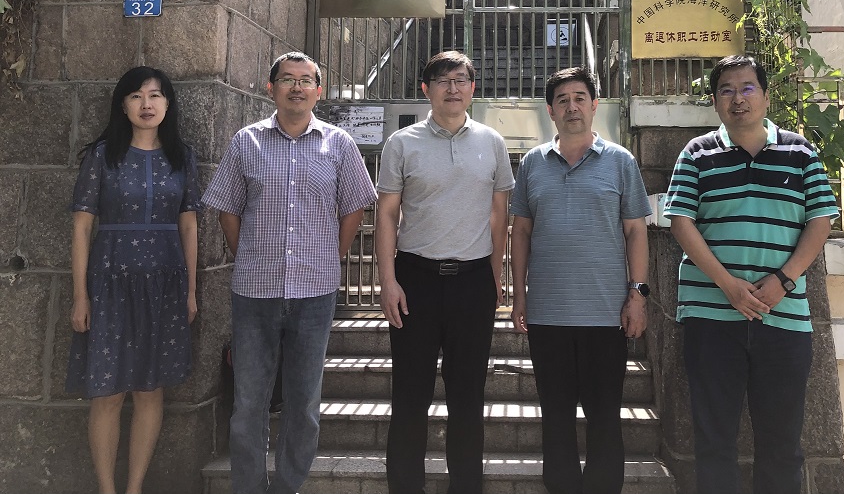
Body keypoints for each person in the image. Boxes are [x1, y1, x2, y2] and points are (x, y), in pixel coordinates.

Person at [202, 52, 377, 494]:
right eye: (287, 79)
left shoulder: (339, 144)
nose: (296, 87)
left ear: (319, 91)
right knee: (249, 403)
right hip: (254, 293)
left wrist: (331, 256)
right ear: (271, 88)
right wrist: (249, 256)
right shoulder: (247, 142)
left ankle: (287, 486)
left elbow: (354, 207)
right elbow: (227, 209)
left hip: (314, 293)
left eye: (305, 80)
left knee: (304, 404)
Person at [663, 55, 838, 494]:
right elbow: (681, 222)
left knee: (782, 446)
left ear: (765, 95)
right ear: (715, 101)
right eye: (726, 90)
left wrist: (783, 280)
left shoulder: (800, 152)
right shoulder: (696, 154)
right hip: (711, 318)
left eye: (747, 88)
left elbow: (820, 221)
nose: (737, 98)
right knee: (713, 443)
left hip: (783, 319)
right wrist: (729, 287)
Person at [376, 50, 515, 494]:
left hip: (472, 281)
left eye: (460, 80)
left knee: (468, 396)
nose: (452, 89)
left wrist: (495, 275)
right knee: (410, 395)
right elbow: (386, 214)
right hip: (414, 279)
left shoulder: (492, 142)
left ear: (473, 88)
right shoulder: (402, 143)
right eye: (442, 81)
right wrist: (388, 280)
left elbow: (500, 214)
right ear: (426, 89)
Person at [509, 66, 652, 494]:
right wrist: (520, 296)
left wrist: (638, 295)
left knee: (604, 416)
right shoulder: (532, 163)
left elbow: (636, 232)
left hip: (606, 315)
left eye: (579, 98)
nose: (571, 107)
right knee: (555, 416)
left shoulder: (620, 161)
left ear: (594, 106)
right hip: (548, 314)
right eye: (562, 100)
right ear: (550, 111)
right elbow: (521, 232)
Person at [67, 66, 201, 494]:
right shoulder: (102, 156)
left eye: (156, 95)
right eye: (136, 96)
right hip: (109, 282)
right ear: (122, 105)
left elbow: (189, 226)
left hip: (164, 285)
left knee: (149, 390)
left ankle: (134, 488)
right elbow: (82, 227)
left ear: (168, 104)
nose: (147, 104)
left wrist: (191, 291)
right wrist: (80, 295)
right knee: (107, 392)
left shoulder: (183, 157)